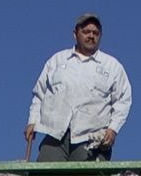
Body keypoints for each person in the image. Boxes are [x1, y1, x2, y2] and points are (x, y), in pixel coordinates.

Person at [24, 13, 130, 160]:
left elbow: (123, 100)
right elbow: (39, 94)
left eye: (95, 33)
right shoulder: (57, 61)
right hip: (55, 135)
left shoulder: (112, 66)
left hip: (90, 139)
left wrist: (113, 129)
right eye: (86, 32)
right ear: (75, 34)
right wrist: (32, 122)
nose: (91, 36)